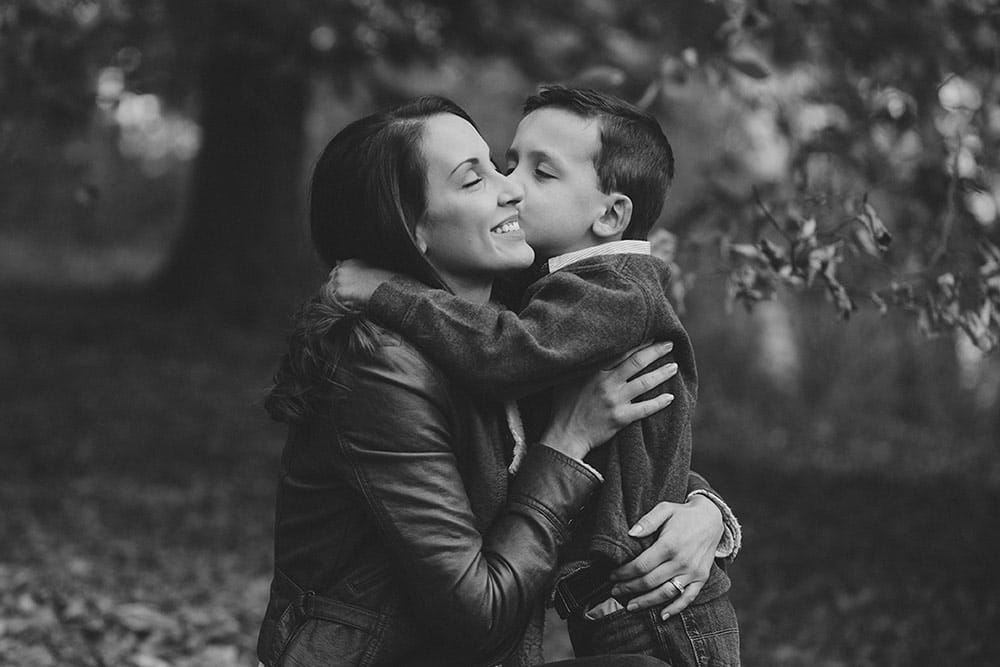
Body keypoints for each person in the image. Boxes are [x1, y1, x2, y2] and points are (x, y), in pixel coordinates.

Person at [258, 95, 703, 667]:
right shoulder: (381, 366)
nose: (513, 188)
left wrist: (704, 513)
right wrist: (566, 445)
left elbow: (646, 437)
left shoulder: (521, 331)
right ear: (412, 228)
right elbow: (478, 616)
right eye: (475, 181)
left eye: (502, 166)